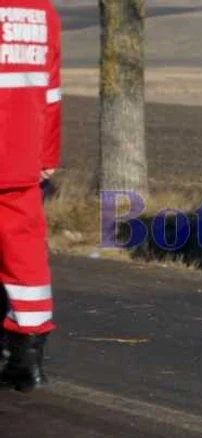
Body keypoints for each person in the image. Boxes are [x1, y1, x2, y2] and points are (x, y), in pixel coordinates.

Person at [0, 0, 62, 393]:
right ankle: (28, 360)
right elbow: (50, 92)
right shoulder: (42, 12)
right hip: (21, 155)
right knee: (25, 255)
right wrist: (46, 155)